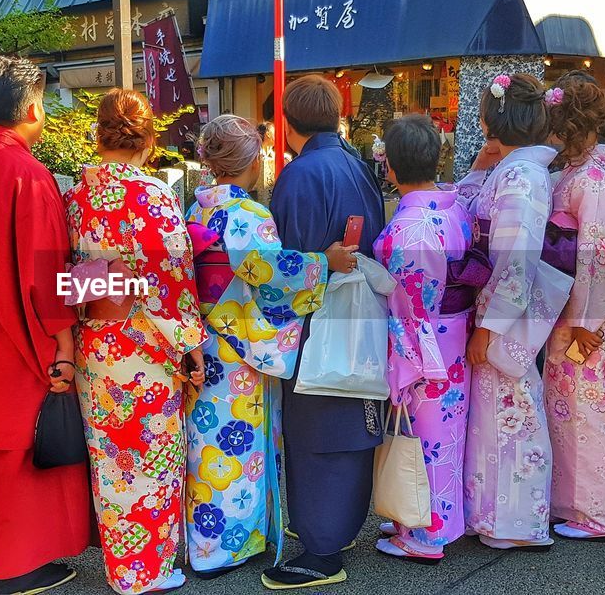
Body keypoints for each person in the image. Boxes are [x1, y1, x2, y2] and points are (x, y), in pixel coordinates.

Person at [0, 56, 91, 595]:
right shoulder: (28, 175)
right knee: (30, 455)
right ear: (31, 107)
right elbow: (46, 274)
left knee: (0, 460)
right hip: (25, 337)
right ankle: (20, 567)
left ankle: (8, 559)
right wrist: (64, 346)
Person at [182, 114, 353, 578]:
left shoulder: (197, 209)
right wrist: (325, 262)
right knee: (238, 445)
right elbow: (273, 276)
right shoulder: (249, 216)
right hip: (240, 345)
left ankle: (205, 539)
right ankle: (229, 545)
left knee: (206, 442)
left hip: (207, 339)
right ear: (252, 161)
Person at [65, 88, 207, 595]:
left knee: (111, 461)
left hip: (96, 345)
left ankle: (122, 566)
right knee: (152, 456)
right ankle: (146, 571)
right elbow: (171, 277)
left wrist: (102, 283)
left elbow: (72, 276)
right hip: (145, 348)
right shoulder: (151, 195)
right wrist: (190, 343)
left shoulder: (75, 194)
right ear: (146, 135)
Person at [260, 75, 386, 590]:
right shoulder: (358, 166)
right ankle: (343, 527)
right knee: (351, 417)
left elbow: (283, 263)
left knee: (315, 426)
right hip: (361, 309)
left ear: (287, 123)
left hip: (316, 318)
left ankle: (321, 547)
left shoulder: (300, 175)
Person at [463, 73, 572, 552]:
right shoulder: (514, 169)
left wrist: (489, 326)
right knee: (502, 412)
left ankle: (514, 521)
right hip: (499, 304)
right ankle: (495, 515)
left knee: (513, 411)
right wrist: (477, 168)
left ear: (494, 118)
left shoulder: (522, 176)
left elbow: (516, 258)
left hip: (503, 308)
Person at [371, 115, 477, 563]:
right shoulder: (455, 207)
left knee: (424, 435)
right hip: (455, 334)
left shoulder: (405, 230)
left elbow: (409, 307)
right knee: (444, 435)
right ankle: (428, 516)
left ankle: (425, 534)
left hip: (423, 346)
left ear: (390, 168)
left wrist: (400, 363)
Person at [540, 72, 605, 542]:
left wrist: (584, 322)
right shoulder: (576, 174)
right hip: (571, 309)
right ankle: (570, 503)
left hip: (591, 315)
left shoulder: (592, 180)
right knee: (566, 407)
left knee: (591, 411)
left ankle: (599, 514)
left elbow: (597, 253)